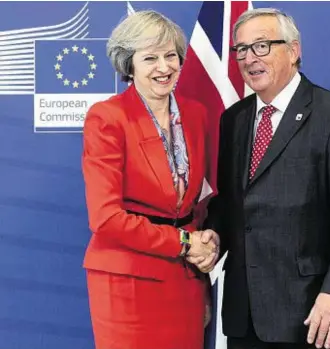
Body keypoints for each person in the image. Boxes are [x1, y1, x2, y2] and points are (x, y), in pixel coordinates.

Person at [203, 7, 330, 349]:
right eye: (241, 49)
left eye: (262, 46)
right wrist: (211, 236)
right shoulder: (234, 119)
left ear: (294, 50)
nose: (249, 58)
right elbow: (231, 203)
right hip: (245, 315)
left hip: (314, 313)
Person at [81, 10, 219, 349]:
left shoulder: (197, 113)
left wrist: (208, 240)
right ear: (129, 65)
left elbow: (199, 201)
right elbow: (106, 218)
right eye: (150, 58)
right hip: (127, 281)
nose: (164, 67)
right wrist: (185, 244)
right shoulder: (107, 118)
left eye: (171, 55)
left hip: (186, 280)